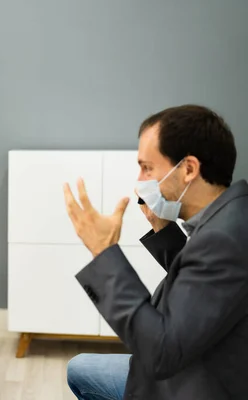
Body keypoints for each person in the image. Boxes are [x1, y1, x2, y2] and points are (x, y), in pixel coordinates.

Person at [63, 104, 248, 400]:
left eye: (147, 167)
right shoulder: (230, 215)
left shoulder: (225, 239)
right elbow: (202, 289)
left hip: (197, 382)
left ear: (188, 169)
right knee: (81, 367)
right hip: (199, 361)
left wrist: (104, 252)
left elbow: (161, 352)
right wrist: (162, 229)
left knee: (81, 369)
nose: (140, 180)